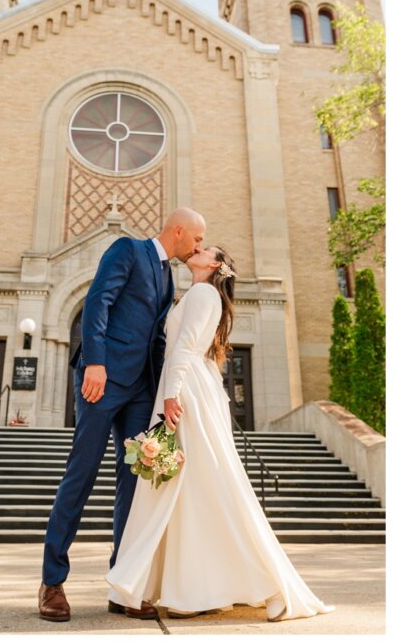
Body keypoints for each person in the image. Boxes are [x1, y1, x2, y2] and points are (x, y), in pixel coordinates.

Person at [105, 247, 333, 621]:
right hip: (190, 385)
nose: (197, 248)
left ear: (213, 265)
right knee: (189, 488)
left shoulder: (202, 293)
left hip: (186, 391)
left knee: (200, 484)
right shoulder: (199, 294)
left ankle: (265, 585)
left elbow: (184, 347)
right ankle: (187, 588)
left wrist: (171, 395)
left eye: (204, 248)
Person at [39, 208, 205, 622]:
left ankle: (123, 585)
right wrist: (95, 360)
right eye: (198, 239)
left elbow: (158, 337)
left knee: (135, 484)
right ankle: (52, 582)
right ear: (179, 231)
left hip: (140, 391)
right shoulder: (127, 249)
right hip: (103, 379)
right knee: (82, 473)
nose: (199, 247)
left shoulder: (169, 277)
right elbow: (99, 301)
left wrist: (166, 390)